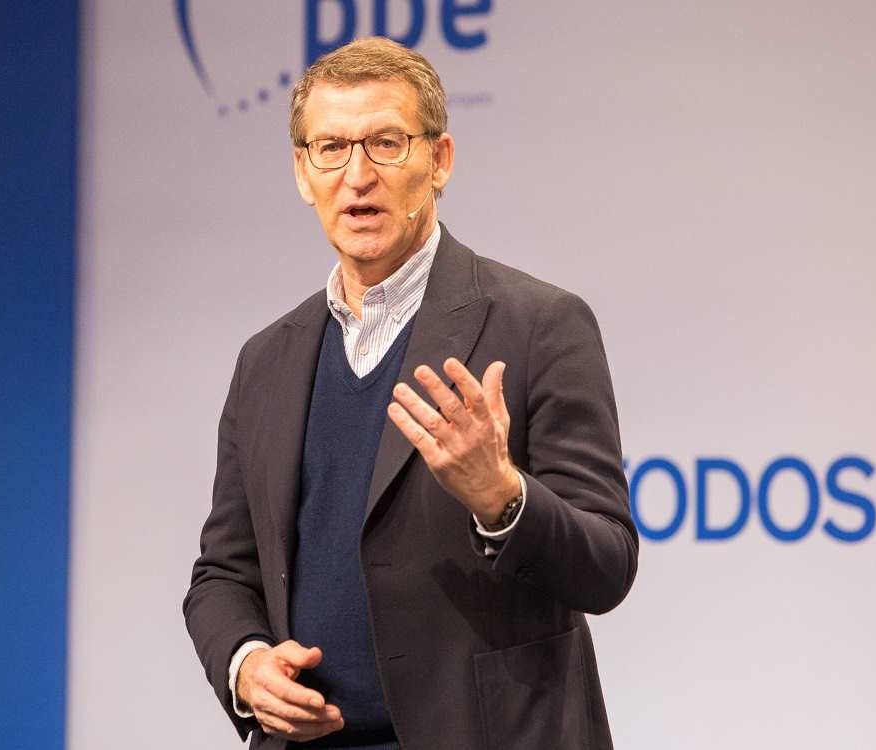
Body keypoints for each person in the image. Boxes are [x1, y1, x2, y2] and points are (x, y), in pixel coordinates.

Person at [183, 37, 638, 750]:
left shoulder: (539, 325)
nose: (357, 175)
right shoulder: (265, 361)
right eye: (330, 147)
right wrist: (246, 665)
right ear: (303, 172)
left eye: (386, 143)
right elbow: (222, 573)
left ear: (439, 160)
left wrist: (502, 497)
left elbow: (607, 565)